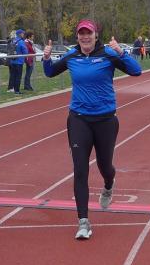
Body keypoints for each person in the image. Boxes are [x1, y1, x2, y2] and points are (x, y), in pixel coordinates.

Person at [42, 19, 142, 240]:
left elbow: (137, 71)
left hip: (106, 120)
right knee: (80, 170)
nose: (85, 37)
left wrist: (122, 53)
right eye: (81, 33)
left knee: (105, 166)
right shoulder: (71, 55)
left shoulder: (108, 54)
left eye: (89, 33)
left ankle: (108, 184)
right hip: (79, 119)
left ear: (96, 35)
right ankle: (83, 221)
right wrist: (46, 58)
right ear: (77, 36)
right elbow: (50, 73)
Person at [8, 28, 27, 94]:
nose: (23, 34)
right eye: (23, 33)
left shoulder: (13, 41)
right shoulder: (21, 41)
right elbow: (25, 52)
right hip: (19, 62)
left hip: (12, 61)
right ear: (20, 34)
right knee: (18, 77)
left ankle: (12, 88)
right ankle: (17, 91)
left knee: (13, 75)